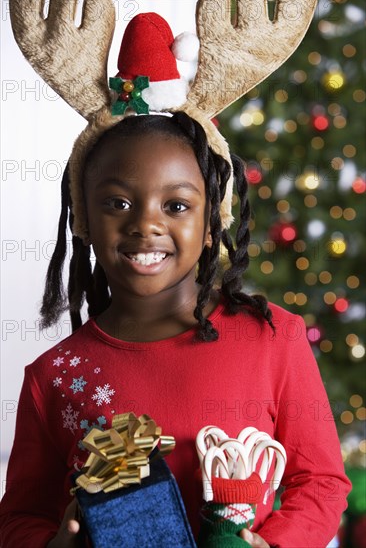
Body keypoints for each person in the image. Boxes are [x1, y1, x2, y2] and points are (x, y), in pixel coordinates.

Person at [0, 112, 351, 548]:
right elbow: (20, 516)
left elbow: (321, 482)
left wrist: (276, 544)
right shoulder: (53, 375)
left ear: (210, 225)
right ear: (84, 218)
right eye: (118, 203)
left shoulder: (272, 337)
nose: (145, 224)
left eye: (177, 206)